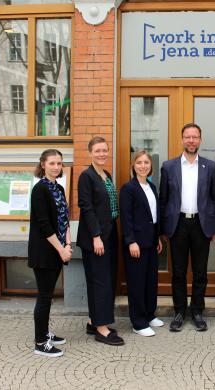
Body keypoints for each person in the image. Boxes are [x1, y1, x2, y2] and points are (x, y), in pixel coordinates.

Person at [159, 123, 215, 332]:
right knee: (178, 272)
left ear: (200, 140)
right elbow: (164, 199)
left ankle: (197, 312)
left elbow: (214, 199)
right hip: (178, 225)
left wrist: (213, 228)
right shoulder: (169, 166)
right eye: (187, 137)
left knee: (201, 272)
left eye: (195, 137)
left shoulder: (210, 167)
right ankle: (179, 312)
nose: (191, 141)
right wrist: (164, 230)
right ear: (182, 139)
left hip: (201, 225)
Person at [77, 136, 124, 346]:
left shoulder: (106, 175)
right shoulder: (86, 176)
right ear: (90, 153)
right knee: (100, 283)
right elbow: (86, 208)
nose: (102, 154)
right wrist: (96, 236)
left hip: (109, 234)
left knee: (106, 279)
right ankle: (102, 329)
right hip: (95, 238)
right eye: (97, 151)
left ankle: (93, 321)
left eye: (104, 150)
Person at [28, 149, 72, 357]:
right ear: (43, 164)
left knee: (49, 295)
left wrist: (68, 245)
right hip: (44, 251)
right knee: (44, 296)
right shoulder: (40, 190)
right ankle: (40, 343)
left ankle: (45, 332)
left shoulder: (59, 188)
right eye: (52, 163)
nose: (56, 167)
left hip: (58, 250)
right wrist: (61, 248)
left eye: (59, 164)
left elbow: (65, 219)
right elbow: (45, 226)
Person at [120, 150, 165, 337]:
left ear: (150, 166)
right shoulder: (128, 188)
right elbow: (126, 217)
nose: (143, 166)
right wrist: (131, 241)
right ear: (133, 166)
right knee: (137, 283)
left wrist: (158, 238)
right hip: (136, 243)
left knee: (150, 281)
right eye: (139, 162)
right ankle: (138, 322)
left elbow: (154, 216)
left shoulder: (152, 187)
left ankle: (148, 314)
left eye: (146, 162)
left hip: (151, 241)